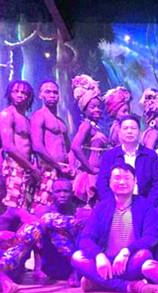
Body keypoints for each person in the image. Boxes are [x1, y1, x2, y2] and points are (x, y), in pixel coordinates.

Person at [71, 163, 157, 293]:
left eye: (127, 178)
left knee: (144, 255)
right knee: (77, 257)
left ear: (135, 181)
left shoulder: (145, 207)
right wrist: (98, 255)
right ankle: (128, 286)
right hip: (105, 263)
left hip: (129, 262)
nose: (122, 182)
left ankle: (98, 282)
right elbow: (85, 238)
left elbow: (151, 238)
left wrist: (127, 251)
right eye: (117, 178)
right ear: (110, 182)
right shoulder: (102, 207)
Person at [33, 178, 89, 287]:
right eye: (58, 191)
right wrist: (37, 268)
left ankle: (76, 272)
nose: (62, 195)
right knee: (40, 227)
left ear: (72, 193)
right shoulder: (42, 211)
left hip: (73, 264)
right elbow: (36, 243)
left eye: (66, 191)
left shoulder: (81, 213)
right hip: (50, 265)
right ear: (52, 194)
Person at [97, 114, 158, 205]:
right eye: (125, 128)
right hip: (115, 204)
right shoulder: (110, 156)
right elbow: (102, 183)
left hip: (143, 204)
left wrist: (148, 205)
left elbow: (157, 183)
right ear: (119, 133)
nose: (129, 131)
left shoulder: (150, 156)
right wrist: (111, 203)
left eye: (133, 128)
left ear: (139, 132)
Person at [30, 80, 74, 209]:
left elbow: (68, 148)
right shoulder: (39, 116)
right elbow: (37, 146)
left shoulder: (61, 121)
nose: (52, 95)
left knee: (62, 210)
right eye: (47, 92)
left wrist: (71, 166)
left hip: (63, 170)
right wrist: (57, 166)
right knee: (43, 206)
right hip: (48, 169)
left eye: (55, 92)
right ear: (40, 95)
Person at [0, 80, 39, 210]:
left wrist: (32, 166)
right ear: (9, 94)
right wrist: (32, 168)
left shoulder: (27, 120)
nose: (20, 95)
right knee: (10, 205)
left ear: (29, 97)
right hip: (13, 166)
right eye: (16, 91)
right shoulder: (7, 115)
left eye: (24, 93)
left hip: (26, 167)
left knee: (23, 207)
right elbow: (8, 147)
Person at [70, 74, 109, 205]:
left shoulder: (95, 127)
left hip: (98, 171)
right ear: (84, 109)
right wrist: (89, 168)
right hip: (90, 175)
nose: (97, 110)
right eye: (92, 107)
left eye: (99, 107)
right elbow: (75, 146)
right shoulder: (86, 125)